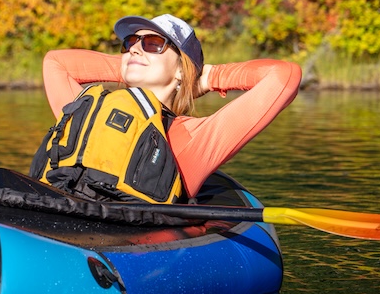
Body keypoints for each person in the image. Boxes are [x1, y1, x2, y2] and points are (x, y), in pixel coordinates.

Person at [33, 13, 301, 201]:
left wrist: (203, 77)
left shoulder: (194, 139)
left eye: (153, 44)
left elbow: (284, 75)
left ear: (182, 68)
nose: (134, 49)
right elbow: (56, 62)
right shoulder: (89, 114)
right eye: (130, 43)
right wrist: (132, 64)